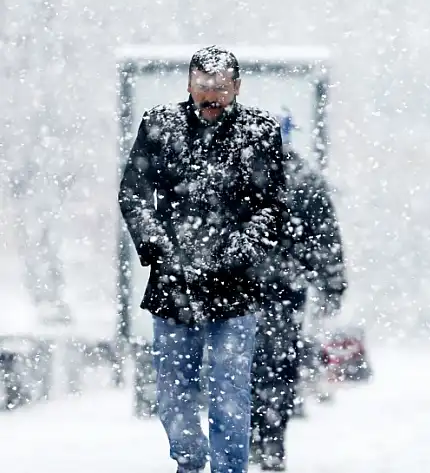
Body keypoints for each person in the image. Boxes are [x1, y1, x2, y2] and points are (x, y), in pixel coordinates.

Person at [118, 46, 287, 473]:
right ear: (189, 85)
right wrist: (160, 248)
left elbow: (271, 206)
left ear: (237, 87)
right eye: (203, 86)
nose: (211, 96)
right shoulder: (160, 126)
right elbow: (133, 194)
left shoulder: (260, 132)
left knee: (231, 393)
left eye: (221, 88)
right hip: (173, 287)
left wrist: (237, 253)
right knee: (175, 395)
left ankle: (230, 469)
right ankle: (189, 463)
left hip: (235, 287)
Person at [250, 111, 347, 471]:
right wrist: (331, 285)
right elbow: (326, 239)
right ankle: (271, 439)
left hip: (244, 291)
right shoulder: (304, 179)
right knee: (277, 367)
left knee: (246, 367)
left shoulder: (241, 175)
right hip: (284, 291)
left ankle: (252, 437)